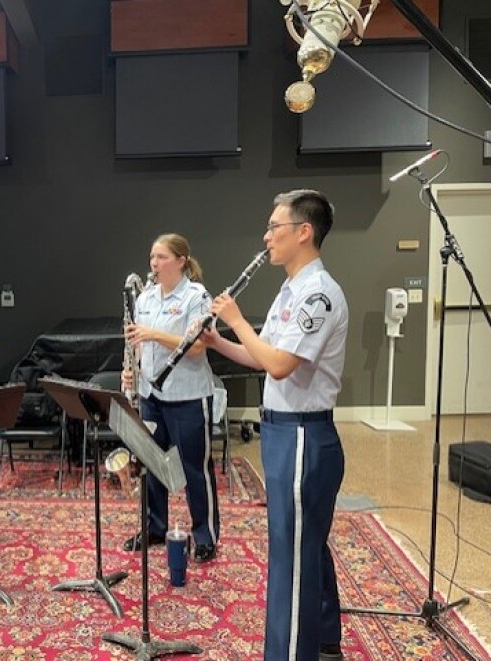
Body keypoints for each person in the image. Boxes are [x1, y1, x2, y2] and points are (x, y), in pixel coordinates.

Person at [203, 189, 348, 661]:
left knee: (291, 559)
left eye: (274, 228)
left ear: (303, 232)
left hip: (304, 433)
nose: (266, 237)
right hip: (285, 431)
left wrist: (237, 320)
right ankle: (326, 637)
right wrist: (218, 341)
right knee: (306, 544)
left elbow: (281, 364)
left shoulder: (319, 293)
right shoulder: (291, 288)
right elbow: (260, 357)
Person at [121, 233, 220, 563]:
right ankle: (155, 527)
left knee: (194, 468)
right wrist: (132, 371)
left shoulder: (197, 296)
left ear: (180, 260)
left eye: (161, 257)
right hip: (151, 395)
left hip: (188, 395)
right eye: (152, 257)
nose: (154, 264)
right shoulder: (146, 297)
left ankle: (204, 535)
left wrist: (153, 334)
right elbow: (138, 343)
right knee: (152, 464)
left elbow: (197, 346)